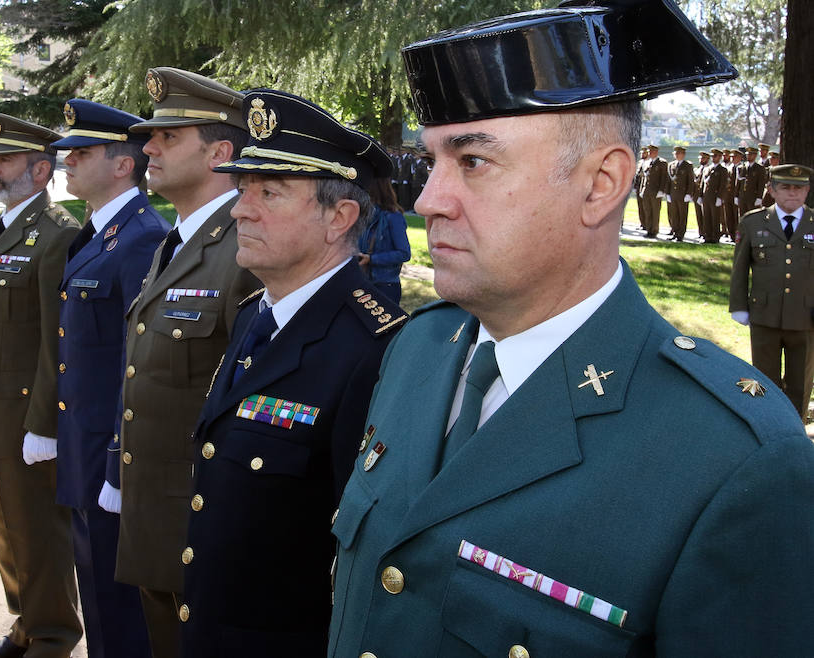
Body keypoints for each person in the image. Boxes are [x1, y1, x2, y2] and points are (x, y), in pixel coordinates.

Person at [329, 2, 814, 657]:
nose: (428, 200)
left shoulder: (734, 459)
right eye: (432, 160)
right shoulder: (417, 348)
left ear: (600, 185)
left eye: (472, 161)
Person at [179, 89, 408, 657]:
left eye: (270, 192)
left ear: (339, 218)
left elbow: (362, 550)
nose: (240, 210)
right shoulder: (256, 314)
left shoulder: (375, 349)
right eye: (242, 190)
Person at [109, 67, 261, 658]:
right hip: (157, 515)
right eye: (152, 136)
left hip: (201, 524)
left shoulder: (244, 248)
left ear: (220, 153)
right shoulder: (179, 242)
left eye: (168, 137)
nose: (149, 148)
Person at [52, 98, 171, 658]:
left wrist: (116, 465)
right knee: (98, 599)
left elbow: (137, 360)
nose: (67, 160)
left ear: (123, 165)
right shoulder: (101, 231)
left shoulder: (141, 237)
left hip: (109, 457)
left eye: (82, 151)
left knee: (119, 616)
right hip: (85, 448)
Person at [0, 113, 82, 658]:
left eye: (4, 159)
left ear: (40, 171)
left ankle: (53, 639)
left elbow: (58, 339)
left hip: (24, 419)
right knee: (8, 533)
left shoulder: (56, 234)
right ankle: (27, 628)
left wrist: (44, 424)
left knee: (37, 536)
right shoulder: (10, 225)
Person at [730, 164, 814, 420]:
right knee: (763, 379)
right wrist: (739, 306)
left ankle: (795, 430)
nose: (793, 193)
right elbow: (740, 268)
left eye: (799, 188)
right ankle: (766, 427)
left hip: (805, 317)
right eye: (785, 187)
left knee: (800, 382)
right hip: (764, 315)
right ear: (772, 190)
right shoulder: (753, 222)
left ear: (807, 191)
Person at [357, 177, 411, 304]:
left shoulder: (393, 217)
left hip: (385, 285)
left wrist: (372, 259)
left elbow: (404, 253)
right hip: (363, 282)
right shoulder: (363, 215)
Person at [638, 144, 666, 237]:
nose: (649, 153)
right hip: (647, 190)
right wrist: (642, 189)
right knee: (647, 211)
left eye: (651, 151)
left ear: (656, 152)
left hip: (656, 191)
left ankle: (654, 230)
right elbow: (644, 178)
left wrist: (661, 190)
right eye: (649, 151)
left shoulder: (662, 163)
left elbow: (664, 178)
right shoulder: (647, 162)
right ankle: (649, 230)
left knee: (655, 212)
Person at [701, 147, 728, 242]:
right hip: (706, 196)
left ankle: (715, 237)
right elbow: (703, 183)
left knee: (715, 218)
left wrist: (720, 197)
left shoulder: (722, 170)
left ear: (720, 157)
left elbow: (723, 185)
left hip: (715, 197)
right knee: (706, 217)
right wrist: (700, 195)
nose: (713, 158)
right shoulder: (707, 169)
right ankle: (707, 236)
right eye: (712, 156)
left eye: (715, 156)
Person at [665, 146, 692, 241]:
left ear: (683, 154)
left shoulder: (687, 165)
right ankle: (675, 232)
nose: (676, 155)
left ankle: (680, 234)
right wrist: (667, 193)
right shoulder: (671, 165)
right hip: (673, 194)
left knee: (682, 215)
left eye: (678, 153)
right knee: (674, 215)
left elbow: (690, 181)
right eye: (675, 153)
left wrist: (688, 193)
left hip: (683, 194)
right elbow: (668, 180)